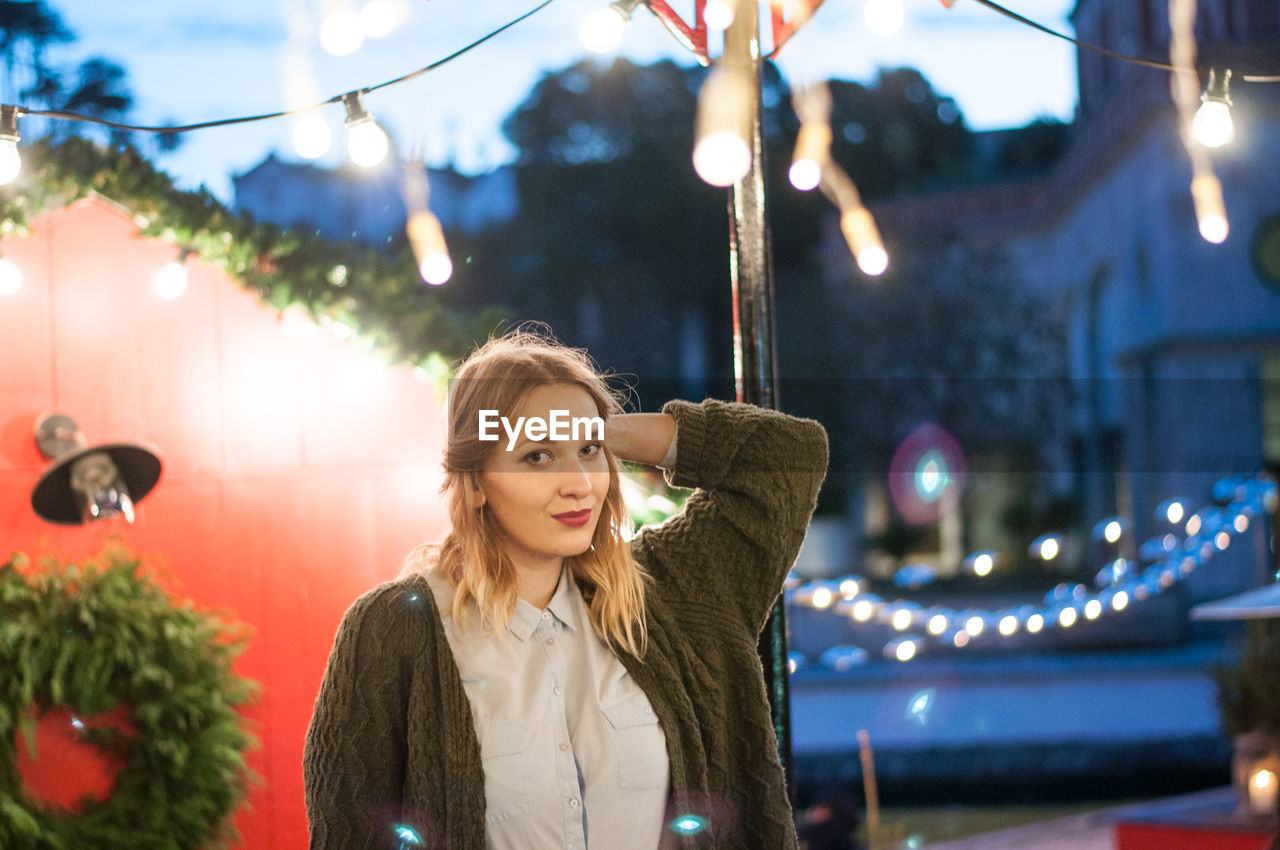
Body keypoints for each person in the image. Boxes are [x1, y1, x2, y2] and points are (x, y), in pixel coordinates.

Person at [303, 328, 828, 849]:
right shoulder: (394, 630)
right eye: (537, 456)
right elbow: (350, 832)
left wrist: (602, 430)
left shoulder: (669, 594)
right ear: (477, 481)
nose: (578, 482)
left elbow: (788, 457)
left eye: (587, 452)